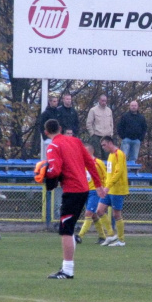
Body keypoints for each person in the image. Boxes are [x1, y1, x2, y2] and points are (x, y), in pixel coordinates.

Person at [43, 119, 104, 279]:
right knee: (68, 228)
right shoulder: (76, 141)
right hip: (84, 188)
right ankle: (67, 267)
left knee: (66, 229)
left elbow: (54, 170)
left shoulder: (53, 146)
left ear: (46, 132)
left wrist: (44, 173)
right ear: (61, 128)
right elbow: (90, 163)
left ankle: (67, 270)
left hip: (72, 190)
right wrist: (98, 184)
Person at [96, 136, 129, 247]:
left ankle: (121, 240)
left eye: (104, 145)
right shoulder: (110, 155)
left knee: (116, 215)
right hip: (109, 189)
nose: (103, 147)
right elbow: (109, 173)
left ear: (110, 143)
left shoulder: (119, 154)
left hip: (117, 189)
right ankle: (111, 235)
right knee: (99, 211)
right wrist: (104, 186)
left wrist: (108, 186)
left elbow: (118, 172)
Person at [74, 144, 107, 244]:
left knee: (88, 213)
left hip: (95, 192)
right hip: (85, 191)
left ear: (91, 152)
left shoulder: (98, 163)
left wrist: (104, 189)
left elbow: (105, 176)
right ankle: (102, 237)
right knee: (93, 215)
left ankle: (79, 236)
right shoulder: (82, 163)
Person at [86, 94, 113, 160]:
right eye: (102, 100)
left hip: (107, 136)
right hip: (97, 136)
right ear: (99, 100)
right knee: (97, 155)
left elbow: (111, 123)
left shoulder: (109, 110)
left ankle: (106, 170)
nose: (104, 102)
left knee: (107, 156)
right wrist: (92, 134)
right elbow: (89, 123)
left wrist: (111, 133)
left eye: (105, 101)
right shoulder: (93, 110)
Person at [39, 93, 61, 159]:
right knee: (49, 157)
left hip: (58, 138)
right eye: (54, 101)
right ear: (50, 102)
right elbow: (41, 126)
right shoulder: (45, 114)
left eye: (57, 101)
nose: (56, 103)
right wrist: (45, 137)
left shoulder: (59, 113)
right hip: (49, 138)